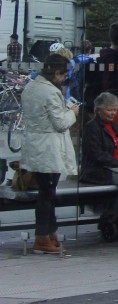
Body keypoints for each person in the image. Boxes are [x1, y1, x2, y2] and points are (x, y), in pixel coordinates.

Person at [20, 53, 81, 254]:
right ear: (56, 73)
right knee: (47, 194)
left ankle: (50, 234)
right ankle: (42, 238)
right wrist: (72, 112)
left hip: (34, 144)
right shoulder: (51, 92)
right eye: (63, 75)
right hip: (49, 147)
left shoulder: (30, 87)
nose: (64, 79)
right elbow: (60, 123)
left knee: (47, 192)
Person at [80, 91, 118, 237]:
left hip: (117, 167)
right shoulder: (91, 127)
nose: (113, 113)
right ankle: (113, 218)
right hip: (98, 170)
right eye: (109, 110)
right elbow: (96, 154)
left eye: (115, 110)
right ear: (98, 110)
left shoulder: (116, 127)